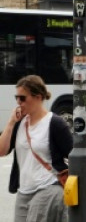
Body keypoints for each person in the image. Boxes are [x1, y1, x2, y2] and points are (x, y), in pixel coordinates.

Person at [0, 75, 73, 222]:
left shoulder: (55, 123)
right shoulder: (19, 123)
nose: (18, 102)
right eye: (16, 98)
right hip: (24, 190)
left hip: (48, 186)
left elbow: (74, 155)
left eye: (22, 98)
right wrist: (11, 122)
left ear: (38, 97)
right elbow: (2, 151)